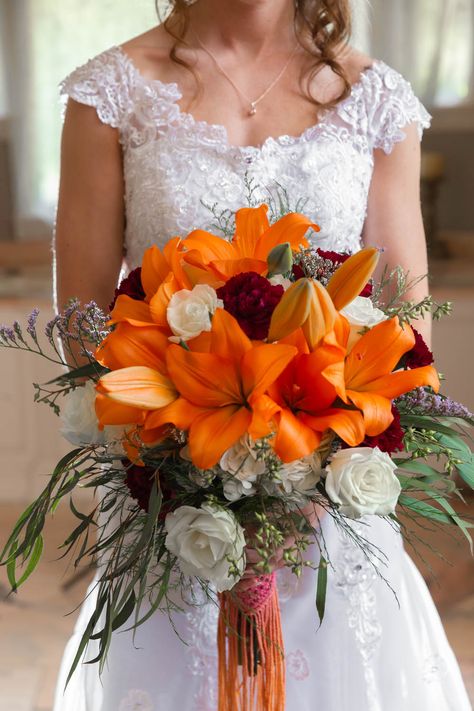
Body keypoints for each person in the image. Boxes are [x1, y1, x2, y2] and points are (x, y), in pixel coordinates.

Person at [53, 1, 472, 709]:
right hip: (173, 491)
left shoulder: (377, 101)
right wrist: (191, 462)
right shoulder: (110, 96)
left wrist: (302, 473)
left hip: (331, 495)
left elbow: (402, 327)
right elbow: (85, 331)